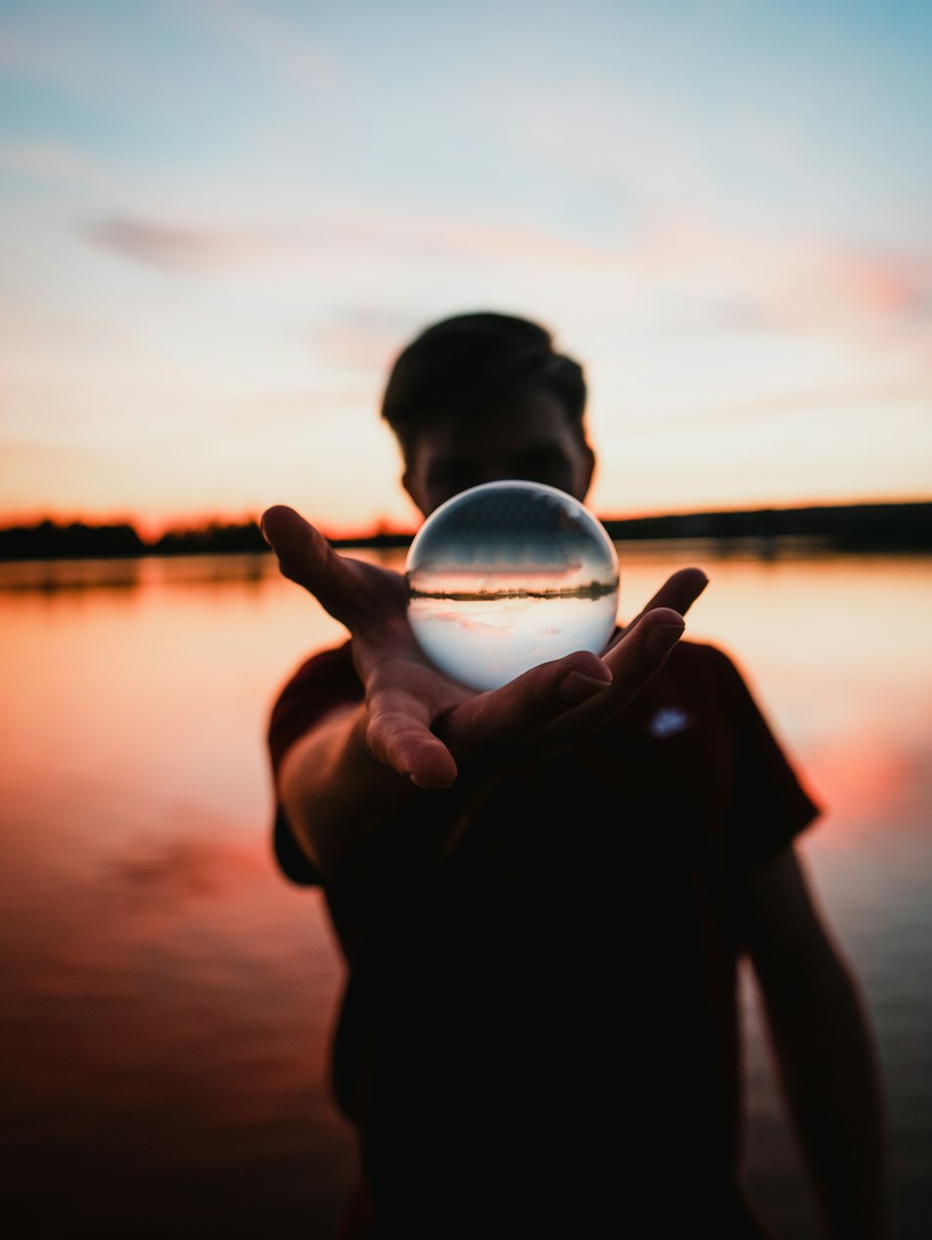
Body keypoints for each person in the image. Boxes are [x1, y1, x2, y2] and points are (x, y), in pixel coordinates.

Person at [262, 313, 887, 1239]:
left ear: (587, 462)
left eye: (538, 467)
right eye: (464, 481)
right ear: (412, 492)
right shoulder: (345, 691)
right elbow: (326, 817)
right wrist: (420, 752)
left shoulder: (699, 686)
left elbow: (801, 977)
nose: (508, 510)